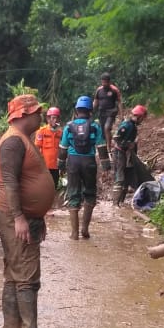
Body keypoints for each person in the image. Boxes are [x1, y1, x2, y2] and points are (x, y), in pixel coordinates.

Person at [0, 94, 56, 328]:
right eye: (36, 113)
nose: (40, 117)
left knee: (15, 272)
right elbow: (10, 182)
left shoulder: (21, 140)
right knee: (27, 276)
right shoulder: (12, 143)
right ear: (22, 115)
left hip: (22, 215)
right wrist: (20, 217)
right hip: (14, 216)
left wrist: (36, 216)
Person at [59, 95, 103, 240]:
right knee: (90, 193)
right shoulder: (95, 126)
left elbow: (63, 147)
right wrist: (106, 165)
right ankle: (85, 229)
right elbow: (101, 147)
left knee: (73, 193)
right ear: (90, 111)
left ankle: (74, 233)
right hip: (89, 162)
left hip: (73, 162)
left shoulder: (69, 126)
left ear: (77, 110)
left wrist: (61, 164)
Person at [112, 104, 148, 205]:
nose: (142, 121)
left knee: (127, 177)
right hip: (120, 153)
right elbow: (116, 138)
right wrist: (128, 144)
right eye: (142, 118)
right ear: (139, 117)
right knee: (120, 177)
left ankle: (121, 202)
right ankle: (115, 204)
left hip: (126, 153)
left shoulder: (132, 126)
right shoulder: (127, 125)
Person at [34, 106, 64, 189]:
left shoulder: (61, 132)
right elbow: (37, 148)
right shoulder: (42, 131)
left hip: (56, 166)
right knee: (44, 188)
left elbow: (63, 149)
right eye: (53, 118)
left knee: (54, 186)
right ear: (48, 119)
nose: (55, 120)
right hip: (45, 166)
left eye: (57, 118)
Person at [92, 72, 122, 144]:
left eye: (105, 82)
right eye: (102, 82)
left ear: (109, 82)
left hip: (111, 112)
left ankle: (108, 149)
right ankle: (107, 144)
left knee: (107, 128)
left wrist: (121, 115)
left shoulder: (114, 90)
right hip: (102, 112)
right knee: (103, 131)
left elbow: (119, 102)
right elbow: (95, 102)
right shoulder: (99, 90)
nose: (104, 84)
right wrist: (91, 111)